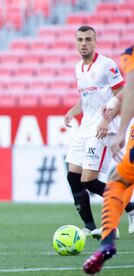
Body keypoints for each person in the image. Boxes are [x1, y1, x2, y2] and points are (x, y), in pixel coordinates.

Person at [64, 26, 134, 239]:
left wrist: (107, 119)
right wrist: (73, 111)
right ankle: (90, 226)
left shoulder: (107, 65)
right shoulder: (78, 68)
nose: (83, 43)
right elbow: (86, 97)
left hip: (103, 129)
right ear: (76, 43)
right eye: (80, 39)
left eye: (88, 39)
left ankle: (129, 208)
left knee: (89, 180)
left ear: (95, 42)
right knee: (73, 177)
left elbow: (122, 93)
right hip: (85, 127)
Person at [83, 45, 134, 274]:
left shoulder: (130, 54)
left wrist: (121, 130)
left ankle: (107, 244)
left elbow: (130, 90)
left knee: (117, 181)